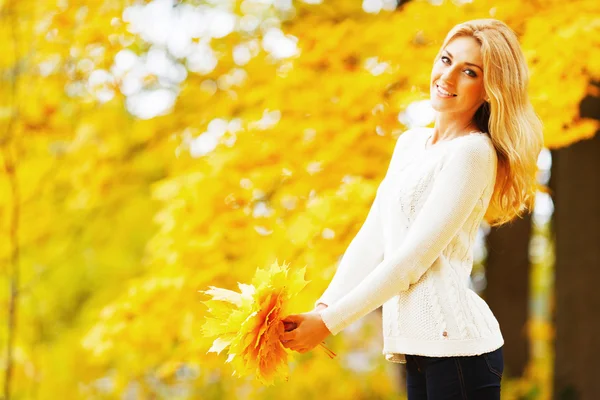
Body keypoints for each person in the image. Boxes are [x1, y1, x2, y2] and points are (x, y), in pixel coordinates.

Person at [280, 18, 543, 399]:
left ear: (489, 90)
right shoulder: (410, 144)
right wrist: (324, 306)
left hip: (459, 354)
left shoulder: (473, 154)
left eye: (468, 72)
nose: (447, 77)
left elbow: (411, 260)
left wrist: (329, 323)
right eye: (445, 59)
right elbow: (372, 238)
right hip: (418, 351)